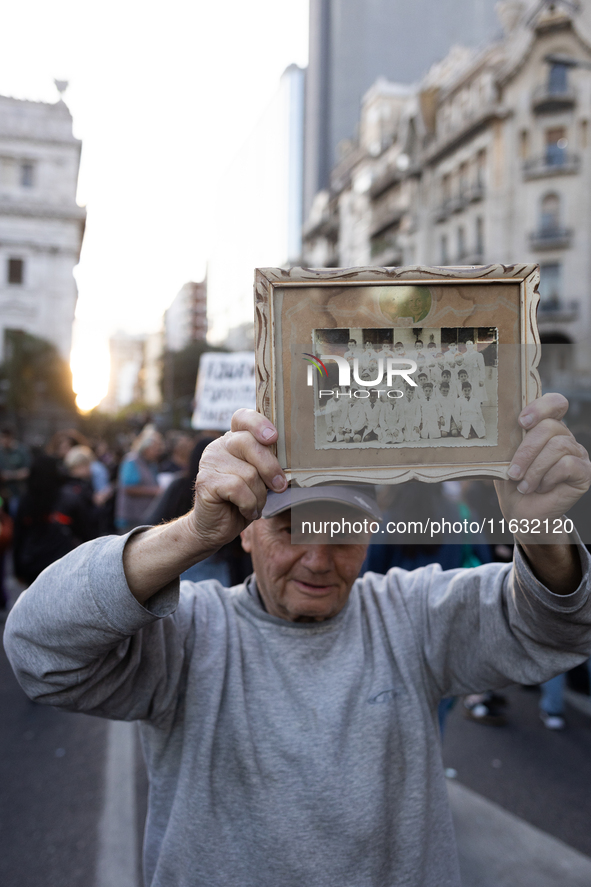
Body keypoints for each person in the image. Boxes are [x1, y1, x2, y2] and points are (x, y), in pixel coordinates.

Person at [4, 395, 591, 887]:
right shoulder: (190, 634)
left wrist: (540, 531)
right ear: (245, 534)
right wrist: (190, 532)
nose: (316, 560)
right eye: (289, 529)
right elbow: (38, 649)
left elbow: (552, 626)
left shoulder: (411, 614)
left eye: (341, 534)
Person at [115, 426, 164, 532]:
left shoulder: (151, 463)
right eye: (155, 448)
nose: (158, 451)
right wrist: (155, 491)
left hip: (144, 517)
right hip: (131, 519)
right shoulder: (131, 461)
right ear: (146, 447)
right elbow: (128, 488)